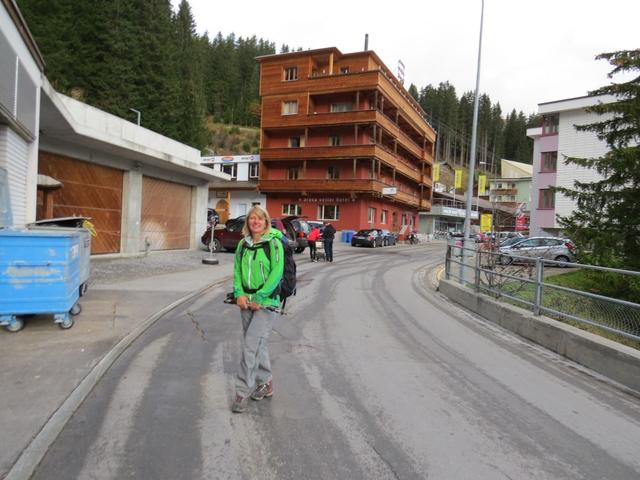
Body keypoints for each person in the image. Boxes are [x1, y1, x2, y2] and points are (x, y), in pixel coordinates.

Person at [231, 205, 284, 413]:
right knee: (257, 345)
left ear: (266, 222)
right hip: (246, 302)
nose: (255, 221)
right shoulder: (242, 245)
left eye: (259, 218)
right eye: (252, 218)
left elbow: (276, 273)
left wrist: (261, 297)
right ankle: (266, 383)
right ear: (248, 222)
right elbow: (236, 270)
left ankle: (242, 392)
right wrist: (239, 293)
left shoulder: (274, 244)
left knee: (250, 347)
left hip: (267, 303)